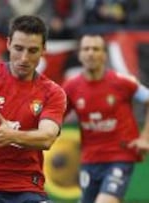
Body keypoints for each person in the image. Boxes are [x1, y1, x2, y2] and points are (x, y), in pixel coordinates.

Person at [0, 15, 67, 203]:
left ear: (44, 50)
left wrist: (11, 136)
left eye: (32, 50)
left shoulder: (52, 92)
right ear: (8, 44)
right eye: (19, 48)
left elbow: (47, 137)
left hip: (26, 188)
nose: (24, 58)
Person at [62, 34, 149, 203]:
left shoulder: (122, 82)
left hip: (120, 156)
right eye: (86, 49)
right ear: (79, 54)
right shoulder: (71, 87)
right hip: (90, 160)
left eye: (96, 49)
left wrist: (145, 137)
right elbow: (55, 117)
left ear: (104, 55)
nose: (91, 53)